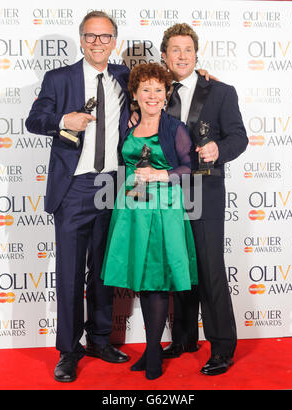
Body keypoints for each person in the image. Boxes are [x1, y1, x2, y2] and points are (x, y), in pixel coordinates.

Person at [25, 11, 131, 383]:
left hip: (112, 185)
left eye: (105, 37)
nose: (97, 43)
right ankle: (69, 350)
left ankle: (100, 340)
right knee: (70, 273)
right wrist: (62, 122)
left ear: (114, 40)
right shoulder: (59, 78)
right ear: (81, 39)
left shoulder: (125, 77)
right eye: (91, 36)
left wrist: (203, 79)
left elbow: (164, 86)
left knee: (103, 270)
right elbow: (33, 120)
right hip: (73, 187)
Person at [100, 63, 198, 380]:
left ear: (167, 94)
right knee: (141, 279)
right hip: (131, 210)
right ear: (135, 94)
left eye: (159, 89)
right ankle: (151, 348)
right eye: (146, 90)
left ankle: (153, 352)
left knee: (155, 280)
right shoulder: (129, 128)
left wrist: (161, 174)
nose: (152, 96)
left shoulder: (174, 129)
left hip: (162, 209)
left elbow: (190, 167)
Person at [160, 23, 248, 375]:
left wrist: (218, 148)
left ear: (196, 53)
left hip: (205, 190)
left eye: (187, 49)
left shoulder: (221, 91)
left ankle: (222, 346)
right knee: (178, 265)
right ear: (164, 56)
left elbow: (239, 137)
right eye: (175, 50)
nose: (182, 56)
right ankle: (183, 337)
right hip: (165, 192)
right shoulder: (155, 91)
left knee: (210, 268)